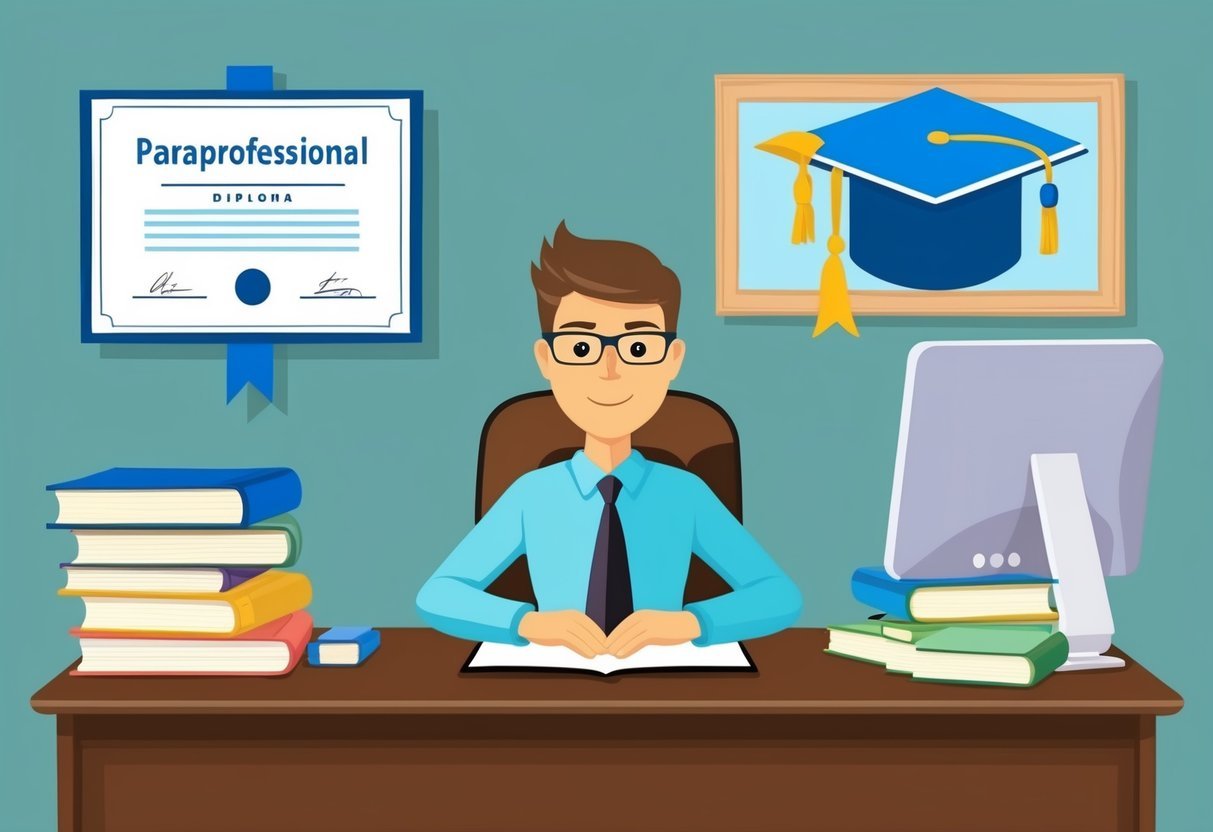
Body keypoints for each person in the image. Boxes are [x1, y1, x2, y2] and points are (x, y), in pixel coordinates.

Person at [416, 222, 801, 658]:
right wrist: (528, 623)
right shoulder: (532, 495)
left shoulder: (684, 494)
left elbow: (779, 595)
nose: (610, 369)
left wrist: (690, 622)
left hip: (664, 684)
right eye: (582, 348)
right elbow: (439, 594)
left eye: (638, 348)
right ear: (546, 360)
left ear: (672, 360)